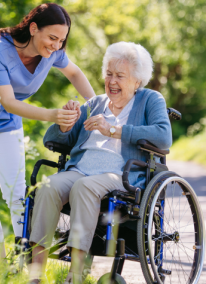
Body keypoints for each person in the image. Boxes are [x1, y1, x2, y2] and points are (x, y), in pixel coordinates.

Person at [0, 3, 96, 257]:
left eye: (62, 40)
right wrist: (52, 115)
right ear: (33, 28)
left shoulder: (54, 52)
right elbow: (9, 102)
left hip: (5, 120)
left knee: (16, 191)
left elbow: (75, 74)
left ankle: (25, 258)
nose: (56, 45)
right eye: (52, 38)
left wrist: (98, 107)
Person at [28, 41, 172, 283]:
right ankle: (34, 276)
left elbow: (163, 136)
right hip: (79, 169)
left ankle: (75, 276)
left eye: (120, 76)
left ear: (137, 81)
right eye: (109, 74)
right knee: (47, 187)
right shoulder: (94, 104)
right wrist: (64, 125)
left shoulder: (150, 99)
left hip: (120, 174)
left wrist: (115, 130)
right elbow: (52, 139)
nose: (112, 81)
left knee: (84, 187)